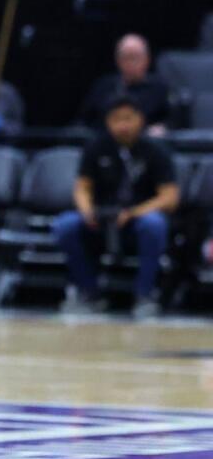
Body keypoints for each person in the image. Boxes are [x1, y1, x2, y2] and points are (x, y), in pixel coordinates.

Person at [53, 94, 179, 318]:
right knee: (66, 225)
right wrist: (86, 210)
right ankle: (88, 293)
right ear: (108, 122)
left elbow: (169, 197)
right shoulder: (96, 147)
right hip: (101, 221)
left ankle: (145, 295)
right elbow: (82, 187)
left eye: (128, 118)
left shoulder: (156, 151)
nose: (123, 125)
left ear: (140, 119)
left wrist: (134, 212)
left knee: (154, 224)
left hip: (136, 221)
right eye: (116, 119)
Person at [76, 34, 170, 132]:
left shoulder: (159, 89)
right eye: (126, 57)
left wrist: (161, 128)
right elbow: (83, 121)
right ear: (117, 60)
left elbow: (171, 122)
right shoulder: (104, 86)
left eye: (135, 57)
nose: (130, 63)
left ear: (147, 59)